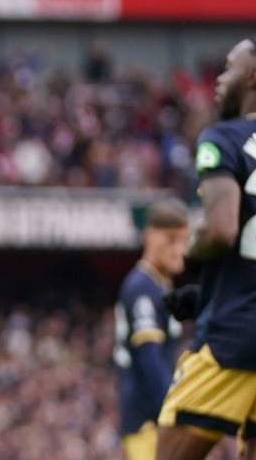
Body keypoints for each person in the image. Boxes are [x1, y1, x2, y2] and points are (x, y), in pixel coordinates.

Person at [157, 34, 256, 460]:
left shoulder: (224, 137)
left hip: (236, 335)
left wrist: (189, 252)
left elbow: (221, 230)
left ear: (255, 75)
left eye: (228, 67)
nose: (220, 79)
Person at [115, 197, 191, 460]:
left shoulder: (159, 286)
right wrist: (173, 415)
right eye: (170, 239)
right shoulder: (142, 289)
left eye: (184, 240)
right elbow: (150, 360)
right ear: (148, 237)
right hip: (147, 424)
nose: (179, 249)